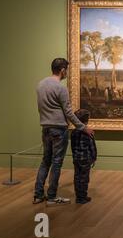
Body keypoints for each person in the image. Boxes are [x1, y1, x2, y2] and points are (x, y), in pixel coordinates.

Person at [33, 58, 94, 206]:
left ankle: (38, 195)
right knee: (56, 162)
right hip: (59, 129)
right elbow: (68, 112)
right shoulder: (61, 88)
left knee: (45, 161)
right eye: (66, 69)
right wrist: (83, 127)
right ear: (62, 70)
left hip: (45, 128)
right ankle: (52, 196)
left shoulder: (40, 85)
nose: (66, 72)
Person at [71, 109, 97, 204]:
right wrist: (94, 158)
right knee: (84, 178)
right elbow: (92, 146)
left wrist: (74, 156)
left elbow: (73, 146)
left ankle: (78, 196)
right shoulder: (88, 132)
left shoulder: (74, 132)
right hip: (86, 159)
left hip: (76, 158)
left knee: (77, 177)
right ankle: (82, 197)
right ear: (87, 119)